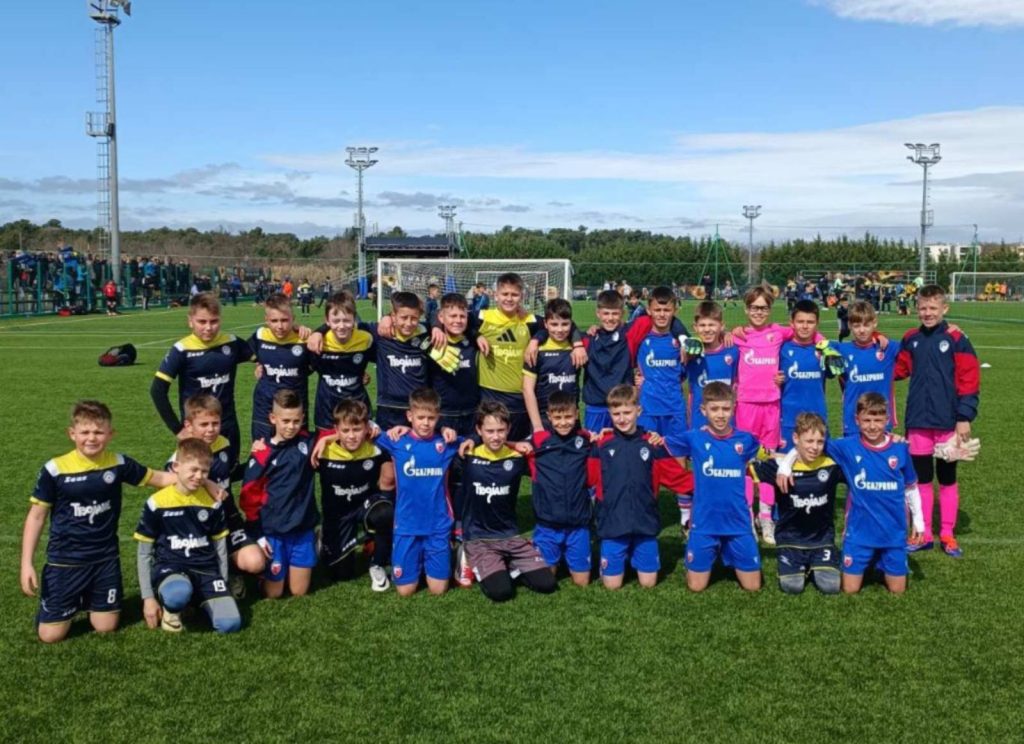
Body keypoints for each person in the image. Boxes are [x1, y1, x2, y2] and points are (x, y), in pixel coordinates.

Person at [19, 400, 183, 643]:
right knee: (50, 636)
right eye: (85, 432)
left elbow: (158, 478)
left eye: (98, 432)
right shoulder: (55, 469)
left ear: (110, 434)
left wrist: (201, 480)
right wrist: (26, 563)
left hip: (104, 559)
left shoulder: (118, 463)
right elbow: (36, 516)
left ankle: (87, 600)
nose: (91, 438)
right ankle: (58, 605)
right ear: (72, 433)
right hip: (65, 561)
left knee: (106, 627)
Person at [777, 393, 924, 594]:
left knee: (898, 591)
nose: (872, 426)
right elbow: (810, 444)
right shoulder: (846, 447)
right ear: (857, 420)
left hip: (893, 532)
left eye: (878, 420)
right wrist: (786, 464)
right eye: (867, 420)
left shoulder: (899, 448)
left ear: (887, 420)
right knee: (849, 589)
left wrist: (919, 521)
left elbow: (911, 487)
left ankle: (879, 561)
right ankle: (870, 560)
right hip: (859, 534)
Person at [731, 285, 822, 546]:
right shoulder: (738, 337)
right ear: (746, 309)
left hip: (772, 405)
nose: (758, 312)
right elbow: (717, 340)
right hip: (746, 406)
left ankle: (766, 518)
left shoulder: (778, 332)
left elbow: (809, 332)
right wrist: (731, 332)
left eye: (763, 308)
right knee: (746, 462)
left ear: (770, 309)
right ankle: (746, 517)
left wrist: (822, 343)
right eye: (754, 307)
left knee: (769, 461)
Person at [896, 284, 981, 558]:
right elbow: (897, 369)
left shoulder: (956, 338)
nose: (928, 313)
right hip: (918, 420)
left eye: (933, 308)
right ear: (916, 309)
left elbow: (969, 379)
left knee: (947, 478)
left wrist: (964, 416)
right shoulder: (911, 338)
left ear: (945, 308)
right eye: (923, 308)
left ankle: (947, 533)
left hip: (947, 421)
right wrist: (874, 348)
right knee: (921, 479)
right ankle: (923, 534)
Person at [588, 384, 693, 590]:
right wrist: (586, 436)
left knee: (648, 583)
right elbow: (585, 477)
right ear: (609, 414)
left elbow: (679, 479)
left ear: (638, 410)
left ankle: (634, 554)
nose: (622, 419)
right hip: (613, 525)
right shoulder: (601, 445)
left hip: (644, 524)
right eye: (616, 414)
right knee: (612, 586)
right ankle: (618, 556)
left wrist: (713, 483)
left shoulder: (652, 445)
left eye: (627, 412)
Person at [135, 438, 241, 633]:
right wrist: (148, 598)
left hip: (206, 570)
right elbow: (144, 553)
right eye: (193, 470)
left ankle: (197, 601)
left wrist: (223, 583)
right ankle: (172, 608)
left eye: (204, 471)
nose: (199, 476)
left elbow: (220, 548)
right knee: (178, 594)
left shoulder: (213, 502)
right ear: (176, 467)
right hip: (172, 567)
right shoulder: (157, 502)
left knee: (230, 624)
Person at [666, 382, 762, 592]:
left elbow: (770, 454)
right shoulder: (694, 438)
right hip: (704, 522)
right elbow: (657, 442)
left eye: (726, 409)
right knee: (696, 587)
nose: (720, 415)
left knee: (753, 587)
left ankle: (727, 549)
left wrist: (788, 462)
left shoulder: (746, 440)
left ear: (733, 408)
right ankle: (711, 551)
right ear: (703, 410)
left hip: (737, 522)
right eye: (714, 409)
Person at [458, 402, 556, 602]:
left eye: (501, 430)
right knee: (501, 592)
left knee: (547, 584)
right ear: (479, 430)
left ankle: (507, 563)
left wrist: (513, 444)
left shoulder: (518, 456)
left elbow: (548, 447)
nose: (496, 436)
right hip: (479, 538)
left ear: (509, 429)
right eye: (490, 431)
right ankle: (466, 555)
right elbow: (440, 441)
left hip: (510, 536)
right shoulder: (467, 455)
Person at [171, 394, 265, 593]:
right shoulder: (181, 456)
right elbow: (172, 485)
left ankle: (232, 569)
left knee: (256, 562)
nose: (211, 429)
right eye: (204, 424)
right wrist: (207, 483)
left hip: (228, 518)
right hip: (198, 525)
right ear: (188, 426)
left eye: (215, 423)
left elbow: (232, 474)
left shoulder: (223, 443)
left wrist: (257, 457)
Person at [374, 388, 462, 597]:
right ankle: (415, 562)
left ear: (438, 418)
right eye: (420, 417)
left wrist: (453, 432)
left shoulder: (445, 443)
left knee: (438, 590)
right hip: (407, 525)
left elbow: (474, 440)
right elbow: (365, 431)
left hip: (437, 524)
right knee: (405, 591)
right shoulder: (397, 440)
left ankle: (457, 554)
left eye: (431, 418)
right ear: (409, 416)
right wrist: (324, 440)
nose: (425, 423)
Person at [151, 292, 255, 469]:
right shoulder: (181, 350)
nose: (208, 327)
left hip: (227, 425)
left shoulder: (231, 343)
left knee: (228, 473)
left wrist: (260, 363)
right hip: (197, 429)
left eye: (214, 321)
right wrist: (178, 430)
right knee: (196, 475)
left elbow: (264, 352)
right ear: (190, 321)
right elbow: (157, 390)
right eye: (202, 322)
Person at [240, 390, 320, 599]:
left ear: (302, 418)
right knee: (273, 593)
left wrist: (326, 440)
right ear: (273, 418)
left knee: (299, 592)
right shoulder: (262, 453)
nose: (291, 426)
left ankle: (315, 543)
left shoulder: (308, 441)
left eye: (296, 421)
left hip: (302, 527)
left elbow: (335, 432)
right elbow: (248, 497)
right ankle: (261, 574)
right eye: (285, 421)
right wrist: (258, 534)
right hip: (273, 530)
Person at [752, 413, 842, 594]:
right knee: (792, 587)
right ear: (795, 438)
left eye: (820, 442)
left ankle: (815, 563)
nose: (814, 447)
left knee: (830, 587)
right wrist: (785, 460)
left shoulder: (832, 465)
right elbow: (745, 458)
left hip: (822, 540)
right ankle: (799, 564)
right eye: (809, 441)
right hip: (790, 539)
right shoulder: (779, 467)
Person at [312, 399, 396, 591]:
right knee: (341, 574)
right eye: (345, 430)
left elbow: (404, 439)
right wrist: (326, 439)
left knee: (384, 513)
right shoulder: (323, 451)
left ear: (366, 428)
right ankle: (324, 537)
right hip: (338, 516)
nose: (351, 436)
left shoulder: (375, 447)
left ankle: (377, 563)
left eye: (357, 429)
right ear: (336, 430)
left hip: (365, 506)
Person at [527, 390, 594, 587]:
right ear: (549, 417)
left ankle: (569, 554)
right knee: (546, 582)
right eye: (557, 418)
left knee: (582, 582)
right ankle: (535, 552)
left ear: (577, 414)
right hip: (547, 525)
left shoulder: (586, 440)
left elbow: (610, 440)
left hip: (578, 525)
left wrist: (651, 437)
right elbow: (509, 444)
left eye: (568, 417)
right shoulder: (539, 441)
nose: (563, 422)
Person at [776, 300, 843, 453]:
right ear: (792, 323)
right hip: (788, 421)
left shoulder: (826, 349)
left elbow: (855, 348)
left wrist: (876, 336)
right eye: (800, 321)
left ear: (817, 323)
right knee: (786, 464)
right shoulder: (781, 349)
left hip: (817, 419)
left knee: (819, 464)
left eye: (810, 322)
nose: (805, 326)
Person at [248, 293, 312, 443]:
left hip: (294, 411)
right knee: (262, 450)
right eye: (274, 321)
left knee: (295, 453)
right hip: (264, 408)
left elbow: (324, 365)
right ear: (266, 320)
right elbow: (239, 353)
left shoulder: (305, 340)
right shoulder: (260, 336)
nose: (280, 326)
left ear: (293, 319)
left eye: (285, 320)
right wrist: (259, 363)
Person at [309, 290, 376, 434]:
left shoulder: (366, 339)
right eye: (336, 321)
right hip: (326, 411)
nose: (341, 326)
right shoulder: (319, 342)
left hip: (358, 408)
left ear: (354, 319)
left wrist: (362, 373)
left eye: (346, 320)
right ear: (327, 321)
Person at [834, 300, 899, 437]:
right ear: (850, 325)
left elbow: (915, 342)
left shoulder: (888, 348)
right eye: (856, 326)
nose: (862, 330)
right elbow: (818, 343)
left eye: (866, 325)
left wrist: (877, 334)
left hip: (881, 421)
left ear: (874, 323)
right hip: (853, 423)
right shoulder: (841, 350)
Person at [523, 298, 579, 433]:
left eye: (565, 324)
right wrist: (537, 426)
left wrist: (579, 345)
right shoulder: (535, 350)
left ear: (571, 323)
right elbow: (527, 389)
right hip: (544, 419)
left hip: (571, 418)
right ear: (545, 324)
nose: (560, 329)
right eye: (554, 324)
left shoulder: (578, 347)